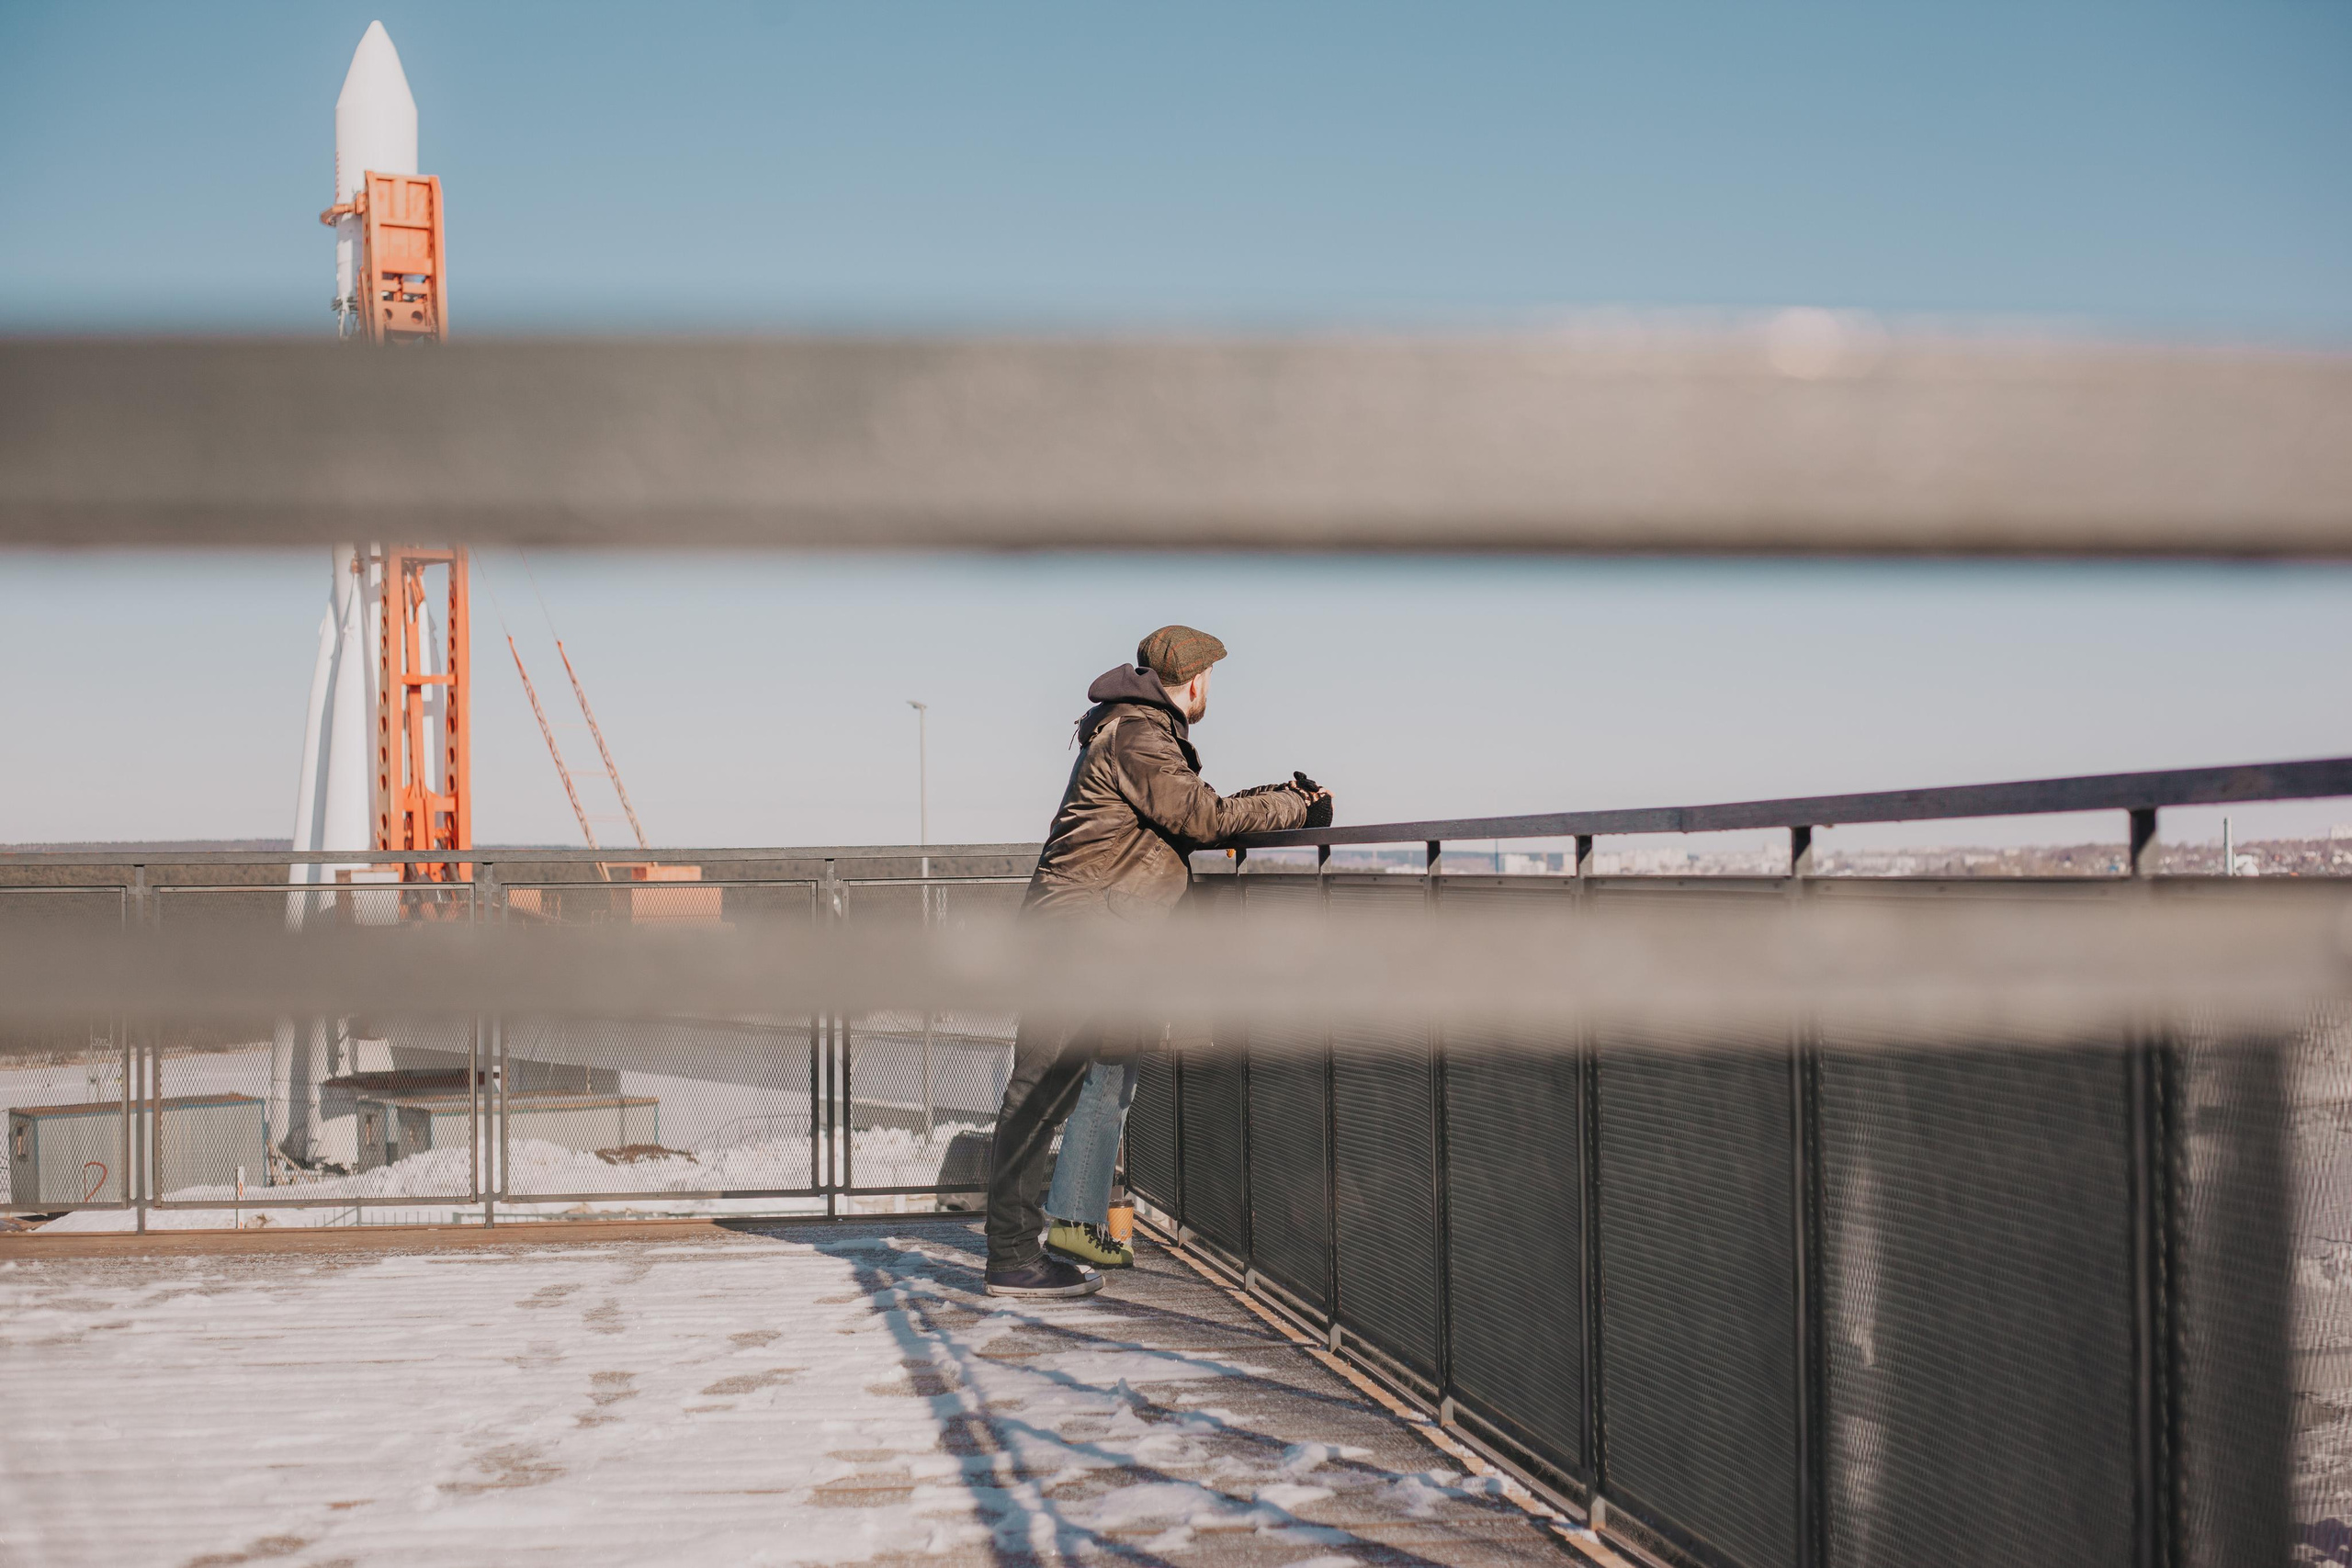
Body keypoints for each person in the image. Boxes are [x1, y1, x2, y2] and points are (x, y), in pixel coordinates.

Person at [983, 625, 1328, 1297]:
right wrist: (1295, 806)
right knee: (1035, 1097)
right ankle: (1012, 1257)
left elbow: (1188, 809)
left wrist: (1285, 795)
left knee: (1062, 1088)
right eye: (1211, 681)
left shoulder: (1137, 731)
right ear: (1195, 681)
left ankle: (1032, 1243)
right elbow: (1201, 818)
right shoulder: (1139, 733)